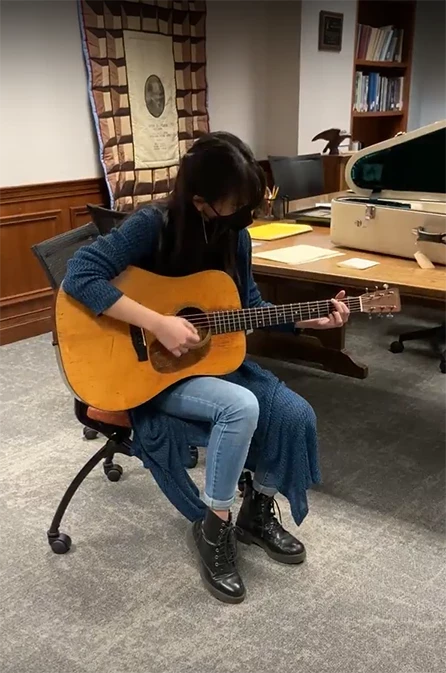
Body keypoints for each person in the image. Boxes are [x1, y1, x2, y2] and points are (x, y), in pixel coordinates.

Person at [63, 132, 349, 604]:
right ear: (199, 201)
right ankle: (215, 530)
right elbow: (80, 276)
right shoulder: (151, 225)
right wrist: (160, 323)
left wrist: (304, 318)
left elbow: (247, 306)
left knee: (295, 413)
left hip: (206, 364)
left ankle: (257, 513)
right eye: (236, 204)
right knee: (240, 406)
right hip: (145, 372)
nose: (246, 215)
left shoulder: (234, 237)